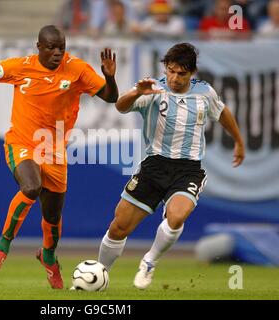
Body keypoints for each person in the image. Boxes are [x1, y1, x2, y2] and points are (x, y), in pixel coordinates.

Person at [0, 25, 118, 289]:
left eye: (61, 48)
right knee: (31, 187)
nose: (57, 53)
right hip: (21, 142)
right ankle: (1, 247)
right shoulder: (20, 67)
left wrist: (110, 78)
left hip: (54, 151)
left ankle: (49, 258)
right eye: (52, 47)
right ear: (39, 47)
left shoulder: (77, 69)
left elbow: (111, 97)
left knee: (52, 217)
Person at [97, 43, 245, 289]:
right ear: (165, 68)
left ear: (192, 73)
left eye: (181, 74)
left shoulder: (204, 93)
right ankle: (100, 274)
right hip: (154, 166)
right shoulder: (152, 87)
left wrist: (239, 142)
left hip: (188, 169)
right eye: (171, 71)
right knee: (119, 226)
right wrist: (136, 93)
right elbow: (120, 106)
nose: (175, 78)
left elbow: (223, 113)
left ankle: (149, 262)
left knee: (176, 216)